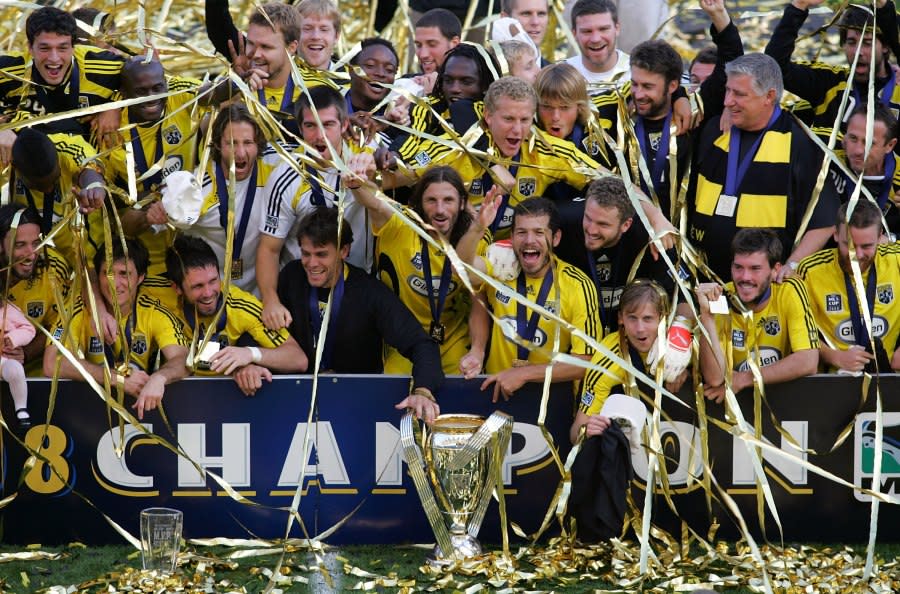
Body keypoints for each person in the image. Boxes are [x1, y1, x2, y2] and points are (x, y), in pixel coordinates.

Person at [277, 207, 443, 423]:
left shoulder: (369, 292)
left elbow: (422, 344)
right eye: (306, 254)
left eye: (321, 254)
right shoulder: (291, 277)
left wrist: (422, 391)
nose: (312, 263)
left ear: (344, 251)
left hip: (358, 407)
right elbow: (263, 331)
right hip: (295, 402)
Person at [686, 53, 841, 281]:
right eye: (728, 90)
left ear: (769, 96)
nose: (728, 101)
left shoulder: (799, 142)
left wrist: (793, 264)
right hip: (705, 282)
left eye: (739, 94)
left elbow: (825, 220)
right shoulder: (714, 129)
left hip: (764, 292)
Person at [346, 161, 492, 375]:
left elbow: (478, 298)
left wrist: (478, 351)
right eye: (431, 200)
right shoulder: (401, 224)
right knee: (398, 398)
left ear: (462, 203)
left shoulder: (476, 237)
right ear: (419, 204)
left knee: (461, 395)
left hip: (453, 338)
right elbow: (375, 202)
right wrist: (356, 184)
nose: (440, 209)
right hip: (404, 338)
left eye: (448, 200)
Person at [256, 86, 374, 329]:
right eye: (310, 126)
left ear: (344, 125)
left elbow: (405, 165)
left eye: (328, 124)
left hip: (360, 285)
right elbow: (269, 249)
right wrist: (270, 299)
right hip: (307, 289)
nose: (319, 135)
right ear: (300, 129)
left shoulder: (365, 157)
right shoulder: (284, 177)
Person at [467, 197, 601, 401]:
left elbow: (586, 360)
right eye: (521, 232)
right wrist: (477, 349)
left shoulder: (577, 286)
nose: (529, 240)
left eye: (539, 232)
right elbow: (469, 282)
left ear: (555, 238)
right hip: (494, 390)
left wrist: (524, 373)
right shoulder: (499, 269)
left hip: (551, 400)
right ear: (511, 237)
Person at [43, 239, 190, 420]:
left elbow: (183, 359)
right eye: (108, 273)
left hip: (143, 413)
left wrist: (159, 378)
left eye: (124, 274)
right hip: (85, 413)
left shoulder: (153, 311)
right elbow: (52, 363)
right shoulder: (77, 310)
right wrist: (114, 378)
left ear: (141, 277)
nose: (115, 283)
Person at [106, 57, 205, 291]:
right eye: (141, 91)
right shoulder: (110, 134)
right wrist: (146, 216)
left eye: (157, 88)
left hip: (190, 251)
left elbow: (216, 92)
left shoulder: (182, 101)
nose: (151, 97)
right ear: (124, 94)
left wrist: (237, 76)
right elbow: (119, 225)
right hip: (141, 260)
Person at [165, 235, 308, 395]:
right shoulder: (159, 300)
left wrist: (250, 354)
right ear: (177, 288)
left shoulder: (242, 306)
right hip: (181, 398)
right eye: (198, 286)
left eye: (213, 281)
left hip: (230, 399)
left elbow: (298, 359)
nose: (209, 293)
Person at [695, 228, 819, 403]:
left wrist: (744, 379)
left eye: (755, 268)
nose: (745, 277)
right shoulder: (720, 298)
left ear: (775, 270)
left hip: (785, 405)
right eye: (738, 267)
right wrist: (706, 317)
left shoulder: (790, 289)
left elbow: (808, 361)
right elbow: (715, 379)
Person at [558, 176, 684, 336]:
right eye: (588, 218)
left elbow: (681, 296)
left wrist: (681, 330)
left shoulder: (650, 238)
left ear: (626, 225)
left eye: (603, 224)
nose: (591, 230)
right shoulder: (563, 220)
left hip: (629, 338)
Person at [765, 0, 900, 140]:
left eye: (867, 43)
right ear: (843, 44)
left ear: (886, 46)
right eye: (852, 42)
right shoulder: (829, 82)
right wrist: (799, 6)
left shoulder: (898, 89)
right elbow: (773, 67)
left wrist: (883, 6)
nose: (858, 51)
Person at [182, 104, 279, 296]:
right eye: (232, 143)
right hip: (212, 295)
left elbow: (317, 149)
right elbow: (149, 221)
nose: (241, 153)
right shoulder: (196, 187)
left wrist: (348, 123)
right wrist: (152, 213)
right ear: (218, 143)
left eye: (248, 142)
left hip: (265, 293)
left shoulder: (277, 167)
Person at [0, 6, 124, 153]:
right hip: (31, 163)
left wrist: (115, 106)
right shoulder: (11, 70)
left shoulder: (101, 66)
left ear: (74, 47)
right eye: (44, 48)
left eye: (62, 48)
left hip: (91, 165)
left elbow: (145, 73)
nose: (54, 58)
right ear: (30, 48)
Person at [797, 200, 900, 373]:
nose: (857, 255)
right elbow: (799, 332)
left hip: (888, 379)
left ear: (880, 236)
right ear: (836, 234)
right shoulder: (810, 271)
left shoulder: (895, 260)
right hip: (833, 382)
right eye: (849, 245)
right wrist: (836, 357)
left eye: (867, 246)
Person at [570, 280, 665, 445]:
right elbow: (575, 434)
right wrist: (588, 430)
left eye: (648, 318)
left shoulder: (682, 343)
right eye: (632, 318)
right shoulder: (606, 359)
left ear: (663, 318)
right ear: (621, 318)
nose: (640, 328)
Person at [9, 128, 106, 262]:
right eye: (39, 187)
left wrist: (94, 186)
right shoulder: (6, 164)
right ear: (16, 168)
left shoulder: (66, 147)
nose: (48, 190)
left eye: (54, 180)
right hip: (31, 258)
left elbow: (89, 166)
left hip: (85, 256)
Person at [0, 206, 72, 376]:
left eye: (36, 243)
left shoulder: (54, 269)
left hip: (34, 376)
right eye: (20, 245)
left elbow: (58, 327)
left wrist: (27, 352)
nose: (31, 255)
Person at [829, 104, 900, 235]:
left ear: (890, 145)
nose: (858, 150)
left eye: (869, 143)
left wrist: (893, 241)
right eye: (853, 138)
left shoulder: (897, 180)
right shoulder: (827, 153)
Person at [563, 0, 630, 91]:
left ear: (617, 28)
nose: (596, 39)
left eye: (603, 29)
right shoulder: (562, 75)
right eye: (587, 31)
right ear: (574, 34)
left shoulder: (636, 72)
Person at [0, 272, 36, 429]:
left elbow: (29, 329)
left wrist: (14, 338)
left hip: (4, 359)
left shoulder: (9, 309)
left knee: (16, 370)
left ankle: (21, 408)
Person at [412, 8, 461, 85]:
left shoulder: (471, 88)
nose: (423, 55)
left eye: (432, 45)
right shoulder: (406, 83)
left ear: (454, 44)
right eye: (419, 45)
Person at [501, 0, 550, 66]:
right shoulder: (485, 72)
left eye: (541, 14)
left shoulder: (557, 75)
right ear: (505, 19)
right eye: (526, 14)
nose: (535, 22)